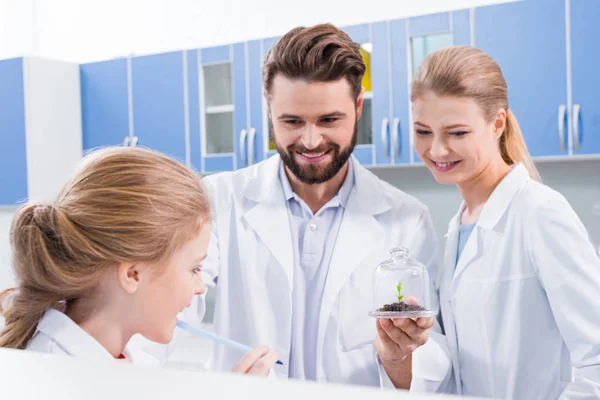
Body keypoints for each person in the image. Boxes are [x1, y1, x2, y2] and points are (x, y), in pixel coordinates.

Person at [177, 24, 451, 390]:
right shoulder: (221, 198)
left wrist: (398, 357)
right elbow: (173, 305)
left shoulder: (407, 219)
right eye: (291, 121)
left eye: (328, 120)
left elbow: (432, 356)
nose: (310, 141)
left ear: (357, 107)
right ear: (269, 110)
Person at [411, 45, 600, 399]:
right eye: (423, 131)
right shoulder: (459, 226)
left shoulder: (539, 213)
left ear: (497, 123)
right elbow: (466, 365)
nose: (436, 150)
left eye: (457, 133)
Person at [0, 146, 279, 375]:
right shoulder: (53, 378)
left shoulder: (119, 357)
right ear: (132, 275)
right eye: (194, 268)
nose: (200, 287)